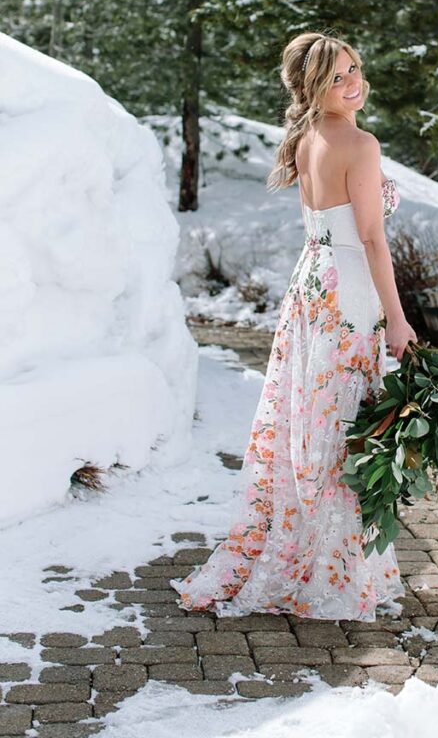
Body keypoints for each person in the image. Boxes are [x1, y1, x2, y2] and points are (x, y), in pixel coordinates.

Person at [170, 32, 417, 621]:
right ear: (312, 86)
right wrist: (399, 322)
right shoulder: (359, 143)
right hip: (347, 292)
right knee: (342, 429)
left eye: (355, 67)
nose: (354, 81)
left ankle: (321, 557)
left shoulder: (306, 137)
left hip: (310, 286)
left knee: (313, 421)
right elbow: (374, 240)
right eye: (337, 76)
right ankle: (332, 571)